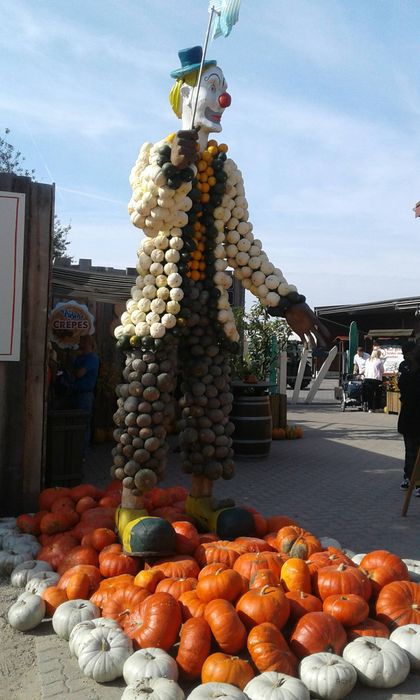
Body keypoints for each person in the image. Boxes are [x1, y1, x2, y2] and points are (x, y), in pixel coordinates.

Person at [113, 45, 330, 540]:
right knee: (145, 403)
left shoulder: (226, 172)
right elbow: (148, 217)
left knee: (210, 405)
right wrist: (173, 169)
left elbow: (242, 244)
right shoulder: (155, 155)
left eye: (222, 87)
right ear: (186, 95)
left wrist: (286, 301)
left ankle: (201, 498)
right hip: (158, 307)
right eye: (211, 87)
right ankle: (130, 507)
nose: (223, 98)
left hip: (211, 309)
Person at [71, 335, 100, 455]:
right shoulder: (80, 357)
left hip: (85, 395)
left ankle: (83, 452)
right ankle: (76, 450)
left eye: (82, 342)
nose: (79, 343)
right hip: (76, 393)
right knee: (76, 424)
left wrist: (73, 371)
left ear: (88, 344)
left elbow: (79, 374)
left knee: (83, 424)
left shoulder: (92, 358)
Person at [398, 344, 420, 495]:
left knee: (413, 450)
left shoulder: (410, 373)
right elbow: (404, 392)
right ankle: (410, 478)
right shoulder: (407, 372)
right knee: (411, 450)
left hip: (411, 418)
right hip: (411, 419)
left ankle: (415, 480)